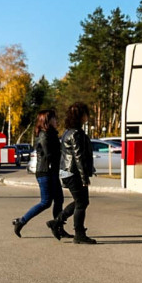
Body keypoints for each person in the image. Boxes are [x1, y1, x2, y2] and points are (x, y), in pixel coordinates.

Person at [12, 109, 64, 237]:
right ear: (47, 121)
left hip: (52, 171)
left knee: (59, 199)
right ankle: (21, 221)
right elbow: (49, 154)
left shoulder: (52, 133)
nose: (56, 121)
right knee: (46, 202)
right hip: (45, 172)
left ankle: (58, 227)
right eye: (54, 118)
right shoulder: (44, 135)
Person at [51, 102, 96, 244]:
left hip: (67, 171)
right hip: (74, 173)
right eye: (85, 114)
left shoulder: (68, 132)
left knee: (81, 201)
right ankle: (79, 234)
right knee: (82, 203)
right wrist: (84, 177)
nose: (87, 116)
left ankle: (57, 221)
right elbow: (79, 157)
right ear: (81, 116)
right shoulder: (76, 134)